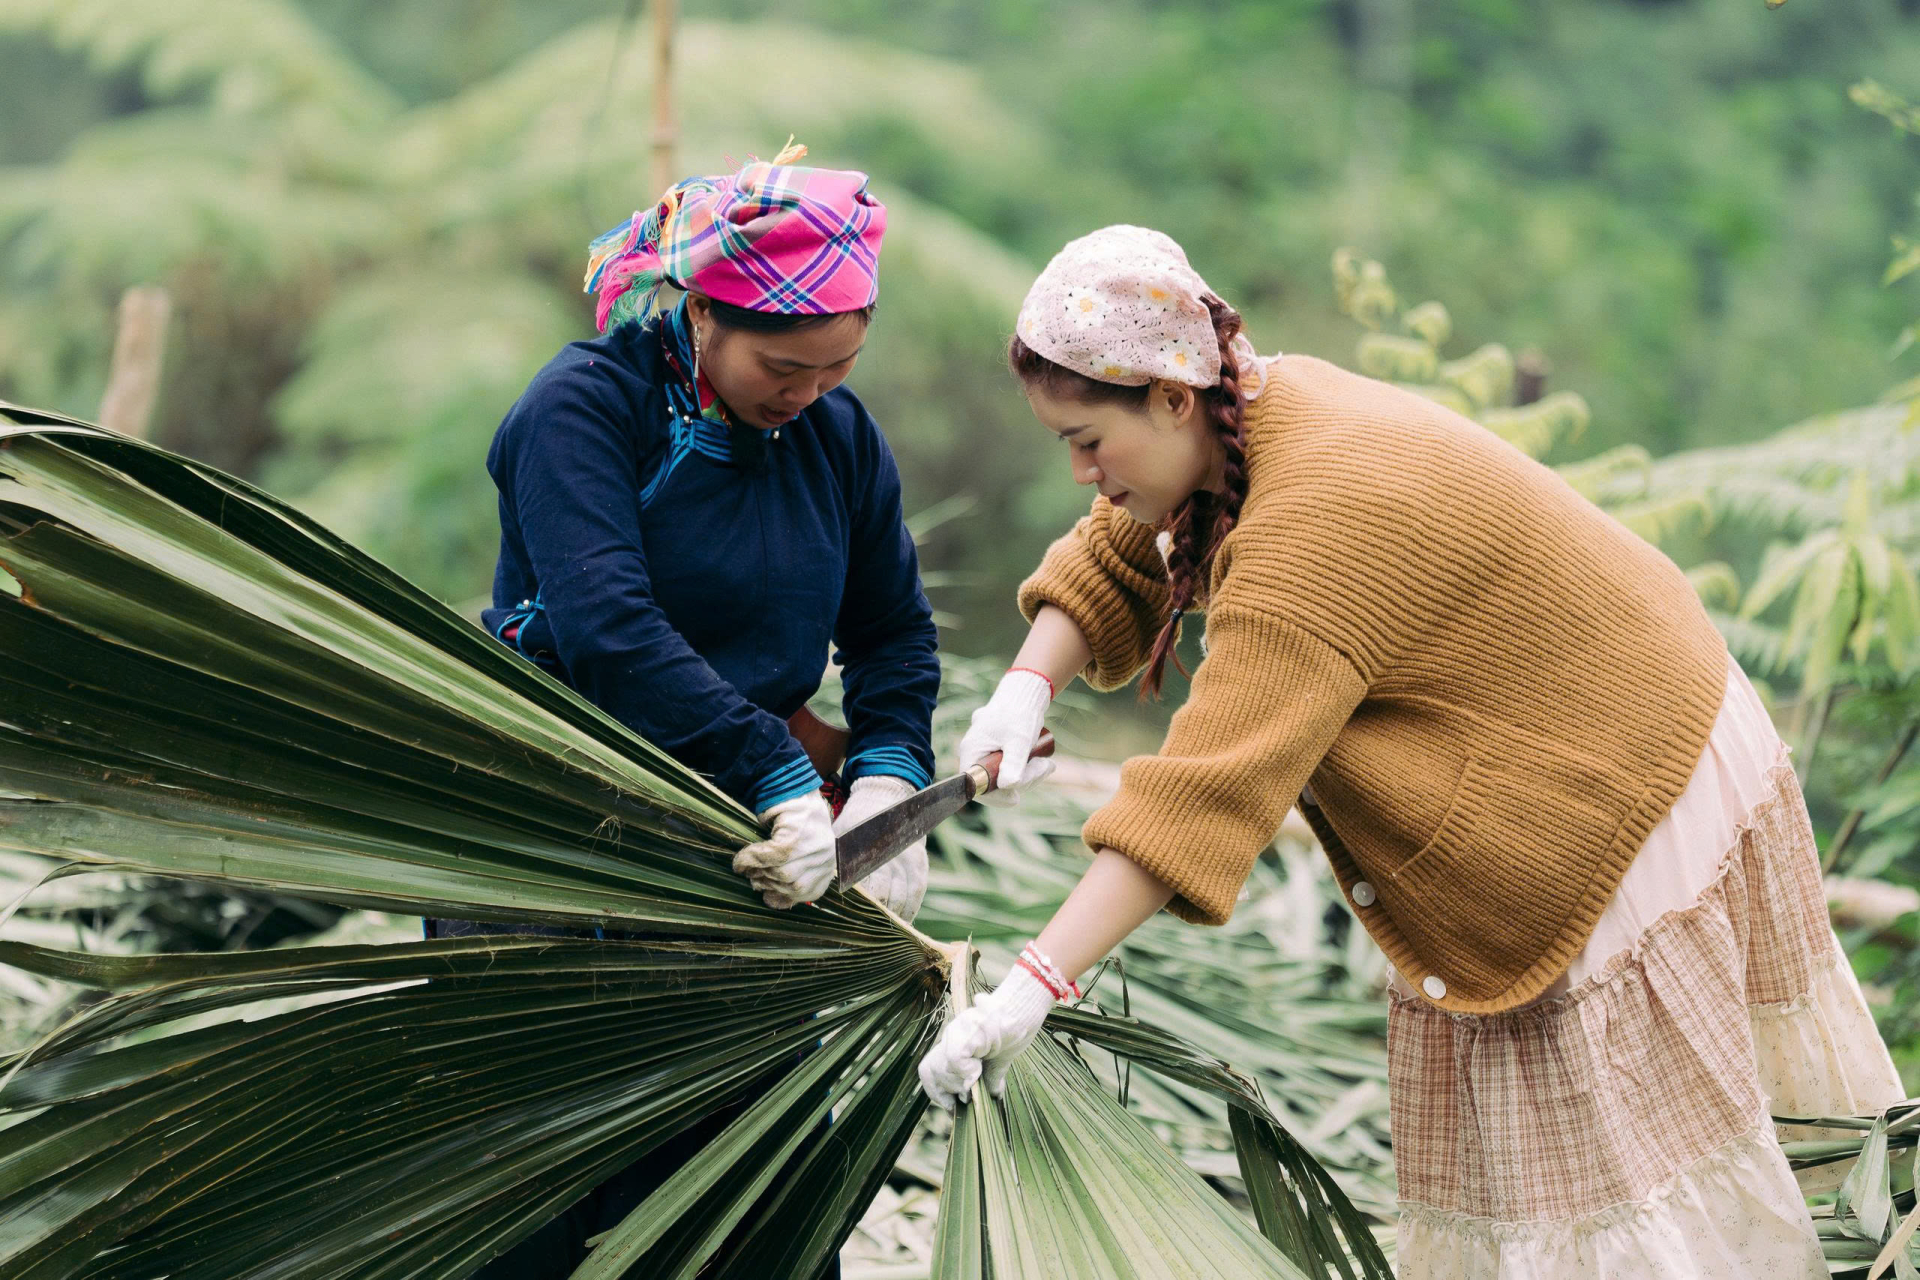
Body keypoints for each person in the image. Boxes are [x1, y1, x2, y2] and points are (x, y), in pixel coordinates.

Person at [917, 224, 1904, 1277]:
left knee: (1629, 1184)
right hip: (1578, 711)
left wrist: (1030, 984)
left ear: (1170, 395)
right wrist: (1027, 685)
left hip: (1618, 763)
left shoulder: (1311, 530)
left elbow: (1201, 792)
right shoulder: (1242, 408)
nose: (1080, 473)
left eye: (1087, 441)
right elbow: (1124, 546)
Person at [432, 142, 940, 1279]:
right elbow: (610, 631)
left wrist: (893, 775)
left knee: (749, 1194)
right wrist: (778, 769)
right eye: (786, 364)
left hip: (742, 861)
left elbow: (892, 630)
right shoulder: (584, 408)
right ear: (705, 312)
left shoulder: (837, 439)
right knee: (532, 1190)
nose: (809, 393)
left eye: (839, 365)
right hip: (548, 831)